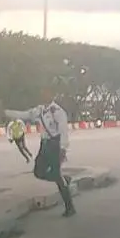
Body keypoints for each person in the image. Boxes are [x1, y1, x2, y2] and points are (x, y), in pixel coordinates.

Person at [20, 89, 76, 217]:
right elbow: (26, 114)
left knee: (57, 176)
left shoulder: (58, 111)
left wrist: (63, 149)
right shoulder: (40, 110)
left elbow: (63, 132)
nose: (44, 95)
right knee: (38, 172)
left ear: (52, 95)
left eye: (47, 93)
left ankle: (70, 207)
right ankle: (64, 179)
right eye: (43, 93)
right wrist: (8, 113)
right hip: (44, 145)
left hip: (54, 145)